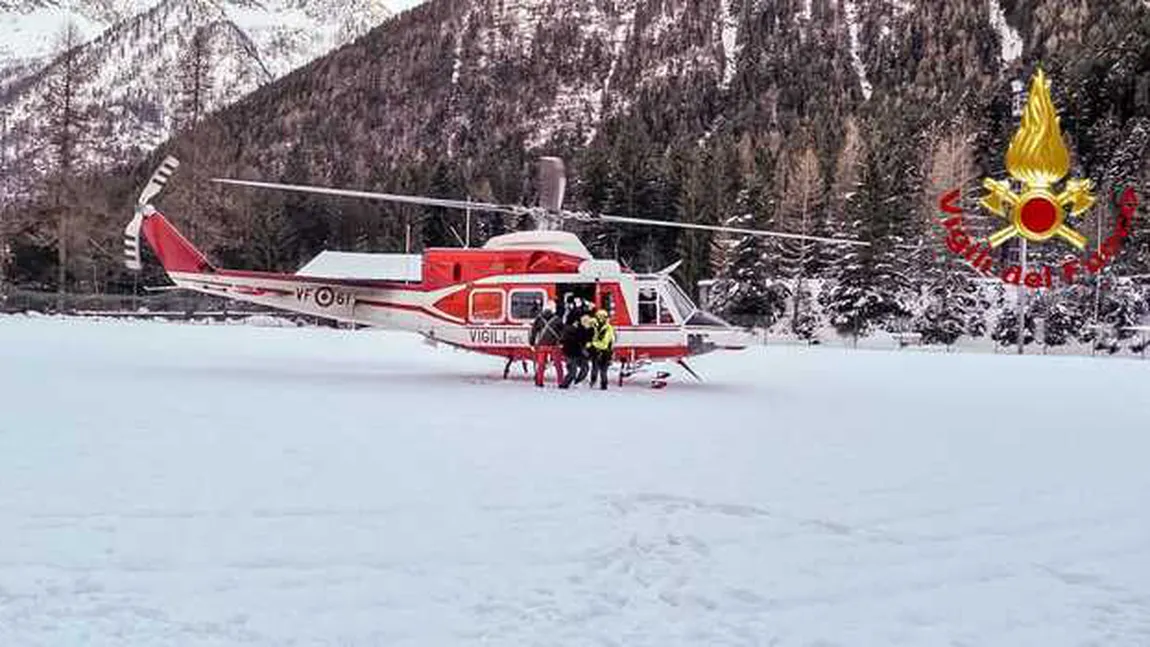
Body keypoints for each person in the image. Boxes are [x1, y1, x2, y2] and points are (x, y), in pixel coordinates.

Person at [528, 301, 564, 387]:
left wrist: (532, 343)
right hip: (554, 345)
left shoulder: (539, 318)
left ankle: (539, 382)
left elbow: (534, 332)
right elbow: (562, 332)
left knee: (541, 365)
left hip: (542, 345)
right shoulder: (557, 319)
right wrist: (562, 342)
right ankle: (560, 382)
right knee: (558, 365)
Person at [558, 313, 595, 389]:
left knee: (585, 368)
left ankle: (576, 382)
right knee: (573, 371)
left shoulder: (589, 330)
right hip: (571, 353)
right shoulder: (573, 330)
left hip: (579, 353)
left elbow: (587, 342)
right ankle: (564, 385)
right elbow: (570, 341)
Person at [587, 308, 615, 390]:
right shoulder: (595, 326)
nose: (599, 319)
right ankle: (593, 382)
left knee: (603, 369)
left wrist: (592, 344)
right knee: (595, 367)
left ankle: (603, 385)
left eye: (601, 317)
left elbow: (604, 344)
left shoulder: (608, 329)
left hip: (605, 352)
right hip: (596, 351)